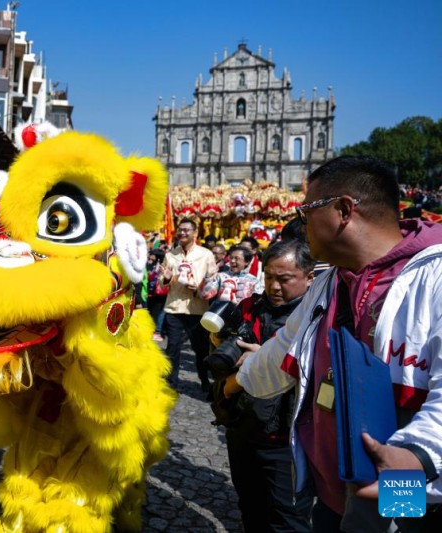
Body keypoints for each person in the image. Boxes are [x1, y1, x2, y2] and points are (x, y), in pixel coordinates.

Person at [226, 156, 442, 531]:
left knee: (399, 528)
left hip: (408, 481)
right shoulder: (330, 282)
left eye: (306, 209)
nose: (300, 222)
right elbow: (283, 349)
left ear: (343, 210)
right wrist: (235, 384)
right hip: (331, 497)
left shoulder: (434, 278)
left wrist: (418, 455)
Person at [207, 239, 315, 532]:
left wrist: (265, 361)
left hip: (286, 442)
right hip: (242, 428)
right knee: (250, 508)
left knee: (287, 520)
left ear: (309, 277)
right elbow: (218, 363)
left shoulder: (314, 319)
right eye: (268, 277)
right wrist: (220, 346)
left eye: (284, 279)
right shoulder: (248, 307)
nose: (274, 287)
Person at [158, 218, 217, 390]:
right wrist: (168, 278)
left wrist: (199, 288)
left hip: (197, 308)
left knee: (200, 350)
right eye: (180, 230)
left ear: (195, 233)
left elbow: (213, 281)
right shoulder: (170, 255)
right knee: (173, 348)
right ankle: (171, 384)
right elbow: (162, 283)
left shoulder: (206, 254)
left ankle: (205, 382)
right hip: (174, 307)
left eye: (186, 230)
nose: (182, 233)